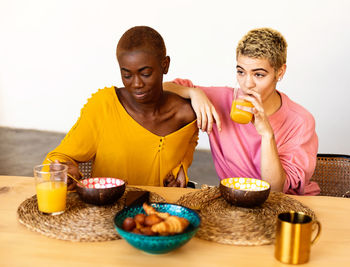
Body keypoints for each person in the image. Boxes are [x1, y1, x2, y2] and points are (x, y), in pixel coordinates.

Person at [164, 27, 320, 195]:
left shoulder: (300, 121)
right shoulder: (222, 100)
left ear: (280, 72)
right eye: (241, 72)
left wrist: (267, 135)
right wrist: (193, 93)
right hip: (239, 204)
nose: (247, 84)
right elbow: (161, 89)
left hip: (290, 208)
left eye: (259, 75)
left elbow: (275, 191)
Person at [44, 26, 198, 189]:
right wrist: (64, 170)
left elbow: (189, 143)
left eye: (145, 74)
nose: (137, 84)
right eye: (127, 75)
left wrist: (180, 170)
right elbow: (59, 157)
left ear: (165, 65)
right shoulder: (104, 106)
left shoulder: (186, 115)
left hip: (158, 212)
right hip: (106, 210)